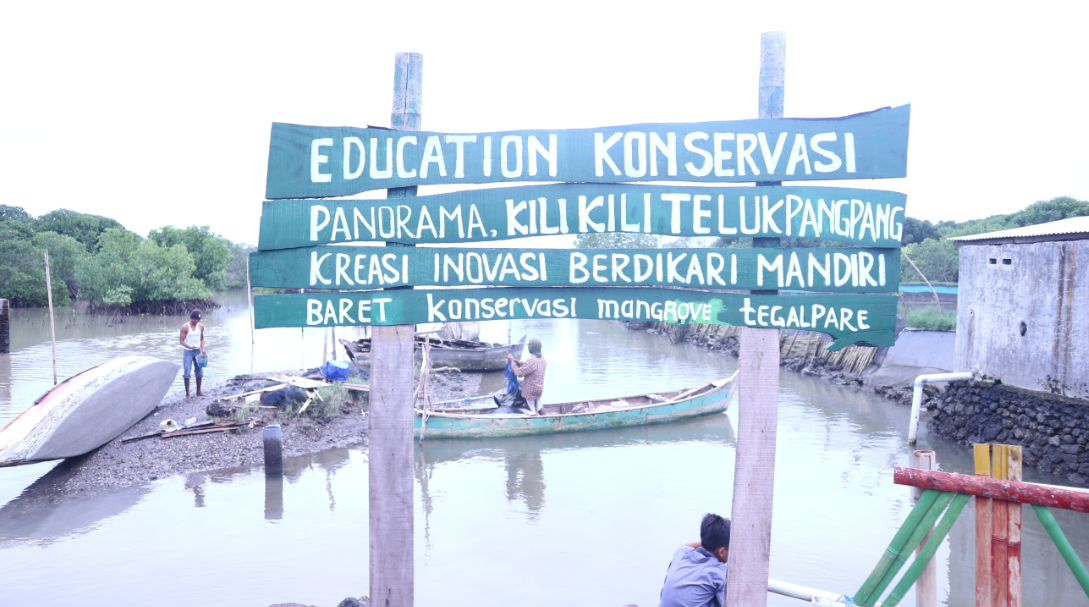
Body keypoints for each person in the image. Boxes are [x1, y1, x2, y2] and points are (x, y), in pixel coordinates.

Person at [658, 513, 730, 607]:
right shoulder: (720, 573)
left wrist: (713, 537)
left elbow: (687, 546)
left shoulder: (681, 554)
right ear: (722, 552)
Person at [507, 338, 546, 414]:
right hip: (538, 389)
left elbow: (519, 373)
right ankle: (545, 419)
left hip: (530, 391)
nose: (528, 347)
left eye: (529, 346)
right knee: (538, 405)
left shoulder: (532, 360)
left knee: (530, 409)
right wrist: (517, 362)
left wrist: (512, 362)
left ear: (533, 347)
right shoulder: (542, 359)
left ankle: (534, 422)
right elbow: (527, 367)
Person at [179, 309, 206, 399]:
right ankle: (188, 394)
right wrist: (190, 347)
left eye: (197, 319)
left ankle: (198, 392)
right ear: (191, 318)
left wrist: (203, 348)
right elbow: (181, 341)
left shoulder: (201, 326)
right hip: (188, 352)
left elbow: (202, 339)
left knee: (199, 372)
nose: (196, 321)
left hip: (198, 351)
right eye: (194, 319)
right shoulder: (185, 327)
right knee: (187, 372)